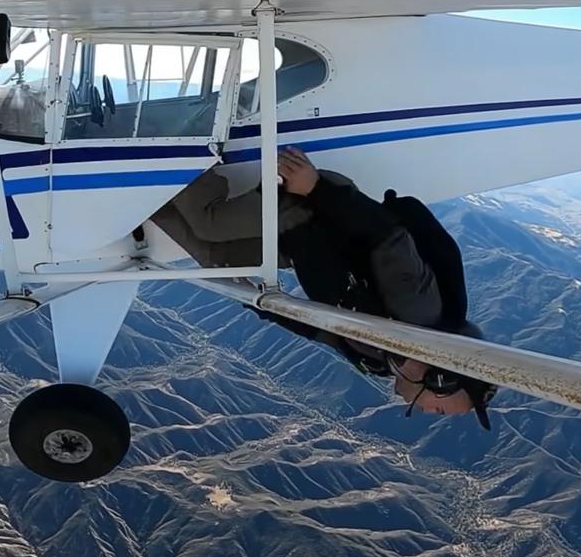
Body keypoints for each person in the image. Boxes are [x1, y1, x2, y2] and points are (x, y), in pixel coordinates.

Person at [151, 147, 498, 428]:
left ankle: (141, 203)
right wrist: (316, 187)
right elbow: (385, 234)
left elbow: (317, 328)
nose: (424, 413)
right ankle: (174, 149)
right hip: (317, 208)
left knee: (216, 257)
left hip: (301, 242)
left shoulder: (378, 358)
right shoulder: (417, 312)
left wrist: (259, 303)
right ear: (439, 380)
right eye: (437, 410)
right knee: (211, 224)